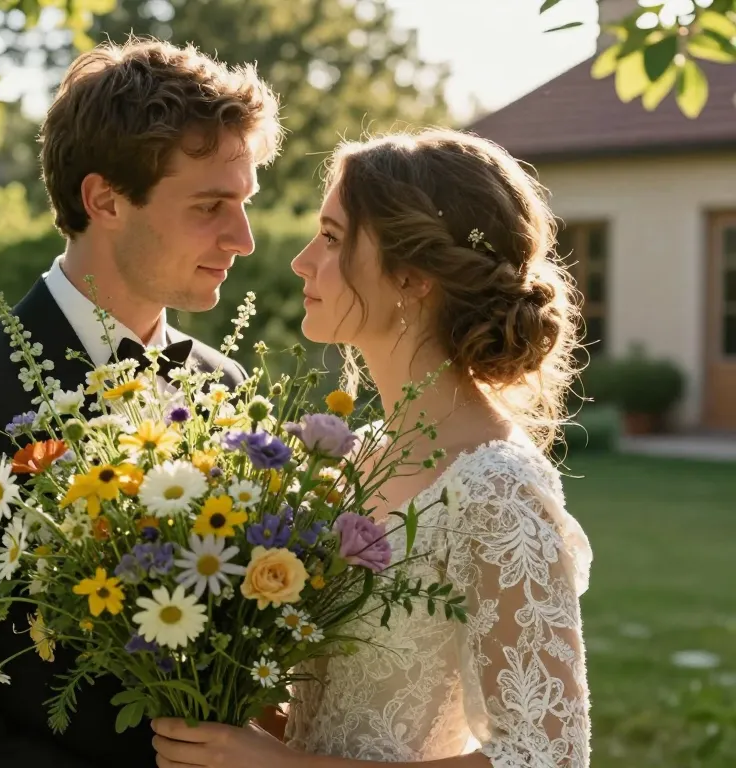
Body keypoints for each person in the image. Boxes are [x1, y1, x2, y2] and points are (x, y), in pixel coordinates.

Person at [0, 38, 282, 768]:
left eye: (243, 204)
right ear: (104, 198)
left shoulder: (225, 386)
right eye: (210, 205)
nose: (241, 238)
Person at [150, 128, 593, 767]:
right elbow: (326, 713)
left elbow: (547, 758)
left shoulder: (498, 489)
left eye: (331, 238)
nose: (302, 261)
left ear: (411, 277)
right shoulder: (355, 461)